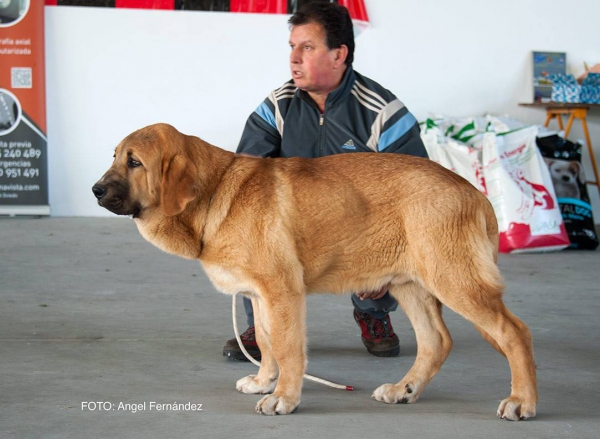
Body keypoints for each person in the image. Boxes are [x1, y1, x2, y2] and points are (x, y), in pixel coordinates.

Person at [223, 1, 427, 361]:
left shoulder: (382, 111)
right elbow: (243, 178)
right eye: (292, 47)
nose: (294, 59)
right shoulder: (277, 106)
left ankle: (373, 312)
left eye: (307, 47)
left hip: (362, 228)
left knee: (405, 242)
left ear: (339, 54)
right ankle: (263, 320)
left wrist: (387, 263)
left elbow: (417, 195)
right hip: (294, 225)